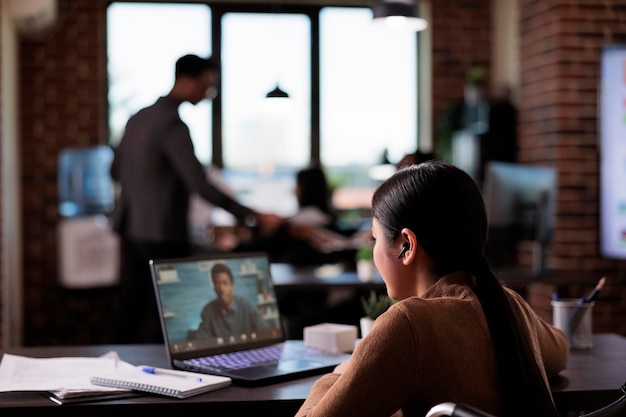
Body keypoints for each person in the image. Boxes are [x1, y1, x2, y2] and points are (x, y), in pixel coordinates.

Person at [295, 160, 568, 417]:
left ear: (407, 245)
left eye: (375, 238)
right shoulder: (509, 304)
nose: (373, 250)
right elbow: (559, 352)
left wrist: (339, 375)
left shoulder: (408, 323)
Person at [110, 54, 281, 343]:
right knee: (165, 319)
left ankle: (106, 376)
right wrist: (250, 215)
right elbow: (200, 184)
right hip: (163, 234)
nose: (208, 93)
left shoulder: (137, 118)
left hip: (131, 230)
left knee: (129, 310)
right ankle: (161, 384)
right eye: (206, 85)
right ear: (186, 80)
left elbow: (115, 171)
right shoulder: (173, 125)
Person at [188, 262, 266, 340]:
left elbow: (264, 330)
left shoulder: (245, 305)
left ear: (232, 287)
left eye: (225, 283)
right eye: (217, 284)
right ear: (214, 288)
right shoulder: (208, 311)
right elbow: (201, 338)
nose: (221, 289)